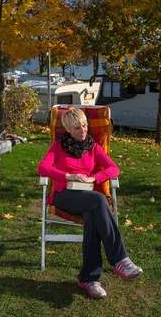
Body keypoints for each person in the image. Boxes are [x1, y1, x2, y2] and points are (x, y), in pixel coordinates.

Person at [37, 107, 142, 298]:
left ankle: (89, 279)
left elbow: (113, 168)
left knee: (94, 218)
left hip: (87, 198)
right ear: (68, 129)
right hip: (63, 195)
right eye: (77, 128)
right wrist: (68, 175)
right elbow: (42, 167)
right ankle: (120, 259)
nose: (83, 130)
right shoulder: (59, 146)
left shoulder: (93, 146)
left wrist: (94, 179)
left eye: (85, 126)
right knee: (99, 200)